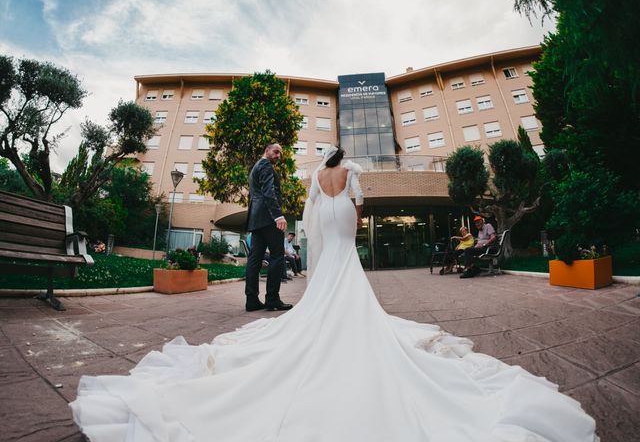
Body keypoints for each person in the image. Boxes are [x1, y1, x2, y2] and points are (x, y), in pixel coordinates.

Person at [69, 146, 596, 441]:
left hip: (327, 216)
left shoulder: (314, 174)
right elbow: (358, 202)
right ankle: (345, 311)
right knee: (350, 265)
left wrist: (323, 217)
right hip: (345, 220)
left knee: (330, 271)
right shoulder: (352, 170)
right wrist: (354, 209)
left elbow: (310, 214)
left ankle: (318, 309)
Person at [243, 143, 293, 312]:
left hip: (256, 219)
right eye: (276, 151)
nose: (278, 155)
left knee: (254, 259)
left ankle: (251, 300)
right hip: (269, 218)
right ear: (267, 150)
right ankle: (272, 299)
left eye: (281, 153)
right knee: (277, 256)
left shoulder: (256, 167)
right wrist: (278, 215)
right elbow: (268, 192)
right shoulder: (265, 166)